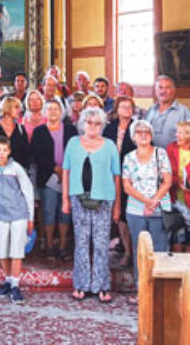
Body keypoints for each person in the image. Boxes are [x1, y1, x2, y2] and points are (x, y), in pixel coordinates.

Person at [62, 107, 121, 303]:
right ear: (83, 124)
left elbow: (117, 176)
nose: (93, 126)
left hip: (104, 198)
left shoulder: (110, 145)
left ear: (102, 126)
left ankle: (102, 285)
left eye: (97, 123)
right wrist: (64, 198)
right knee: (81, 242)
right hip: (78, 197)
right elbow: (66, 171)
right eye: (89, 122)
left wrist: (118, 204)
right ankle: (81, 284)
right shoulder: (73, 143)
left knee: (101, 242)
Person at [122, 119, 173, 277]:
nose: (143, 135)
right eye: (139, 132)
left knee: (160, 249)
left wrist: (153, 201)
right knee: (140, 249)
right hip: (135, 210)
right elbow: (127, 186)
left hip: (160, 208)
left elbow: (168, 181)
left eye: (146, 132)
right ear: (133, 137)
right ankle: (141, 289)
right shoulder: (129, 158)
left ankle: (160, 290)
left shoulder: (161, 153)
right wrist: (146, 201)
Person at [0, 135, 34, 304]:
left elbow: (28, 192)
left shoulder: (16, 168)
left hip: (18, 215)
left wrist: (30, 218)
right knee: (3, 251)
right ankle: (8, 280)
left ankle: (15, 285)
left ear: (9, 151)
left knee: (16, 250)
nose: (1, 153)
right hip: (1, 214)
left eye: (4, 150)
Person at [33, 99, 77, 260]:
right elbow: (37, 155)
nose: (52, 111)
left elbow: (76, 151)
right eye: (49, 109)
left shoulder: (71, 130)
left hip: (70, 177)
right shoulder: (39, 131)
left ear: (61, 111)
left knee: (65, 212)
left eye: (55, 108)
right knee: (49, 212)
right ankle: (50, 246)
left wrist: (65, 170)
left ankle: (63, 246)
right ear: (45, 112)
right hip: (48, 178)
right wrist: (55, 169)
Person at [103, 96, 138, 265]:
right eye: (123, 107)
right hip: (110, 175)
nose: (126, 110)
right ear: (117, 109)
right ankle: (122, 247)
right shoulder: (110, 129)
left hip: (131, 176)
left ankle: (130, 253)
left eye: (129, 107)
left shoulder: (138, 128)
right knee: (114, 213)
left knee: (126, 214)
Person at [166, 120, 190, 252]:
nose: (177, 135)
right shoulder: (171, 149)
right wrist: (178, 182)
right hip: (175, 201)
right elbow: (165, 173)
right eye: (177, 132)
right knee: (177, 239)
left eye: (181, 133)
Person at [145, 75, 190, 149]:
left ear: (174, 90)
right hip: (152, 157)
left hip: (174, 158)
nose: (163, 91)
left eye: (167, 87)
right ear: (155, 90)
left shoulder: (183, 111)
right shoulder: (151, 110)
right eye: (160, 87)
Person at [0, 96, 31, 171]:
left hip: (17, 173)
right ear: (7, 108)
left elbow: (26, 153)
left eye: (19, 107)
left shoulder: (21, 129)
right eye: (16, 107)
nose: (20, 110)